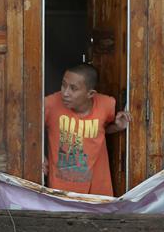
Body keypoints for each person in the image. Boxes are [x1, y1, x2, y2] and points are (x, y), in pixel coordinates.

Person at [44, 64, 132, 196]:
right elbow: (27, 129)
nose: (65, 92)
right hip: (61, 190)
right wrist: (38, 155)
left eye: (73, 88)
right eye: (63, 85)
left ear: (90, 94)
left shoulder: (107, 105)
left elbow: (102, 130)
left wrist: (117, 127)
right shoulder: (50, 104)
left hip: (97, 190)